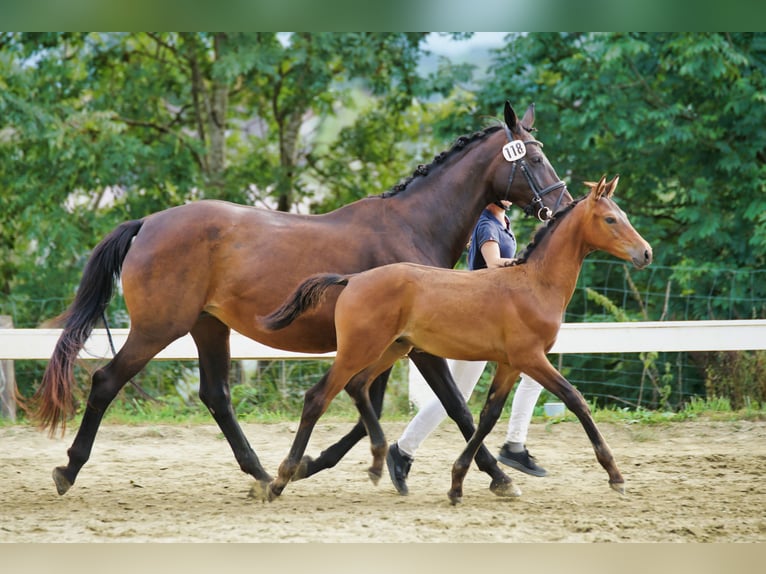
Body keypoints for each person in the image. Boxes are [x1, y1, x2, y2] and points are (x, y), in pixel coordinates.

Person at [386, 200, 547, 496]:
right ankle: (512, 445)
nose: (510, 197)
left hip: (494, 318)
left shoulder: (502, 222)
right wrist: (527, 265)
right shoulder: (487, 223)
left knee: (469, 393)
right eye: (503, 192)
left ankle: (513, 443)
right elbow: (492, 265)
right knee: (458, 397)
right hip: (480, 320)